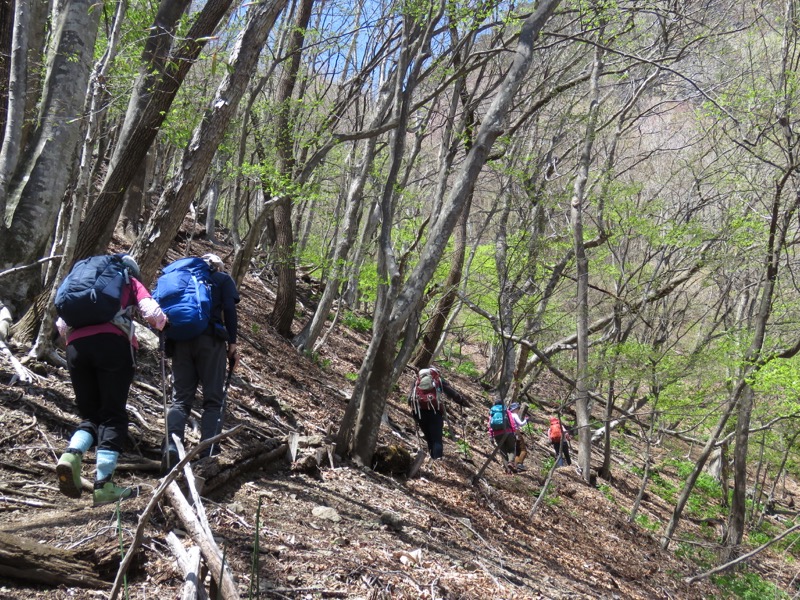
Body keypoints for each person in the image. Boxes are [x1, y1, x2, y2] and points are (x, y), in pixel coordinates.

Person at [55, 254, 168, 506]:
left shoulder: (85, 285)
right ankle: (103, 486)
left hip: (76, 348)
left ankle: (71, 455)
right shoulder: (127, 278)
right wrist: (163, 324)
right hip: (113, 345)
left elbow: (61, 326)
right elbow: (151, 312)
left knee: (90, 416)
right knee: (113, 414)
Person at [162, 253, 239, 472]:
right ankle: (208, 453)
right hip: (210, 341)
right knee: (213, 399)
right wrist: (232, 343)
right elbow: (230, 310)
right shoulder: (222, 280)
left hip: (180, 342)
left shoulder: (183, 279)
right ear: (218, 267)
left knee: (180, 400)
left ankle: (171, 447)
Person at [409, 366, 465, 460]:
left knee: (429, 437)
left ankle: (433, 458)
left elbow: (409, 400)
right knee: (437, 439)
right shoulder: (438, 382)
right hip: (435, 414)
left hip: (419, 414)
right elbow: (453, 394)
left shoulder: (415, 383)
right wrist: (462, 402)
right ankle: (437, 459)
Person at [488, 399, 518, 472]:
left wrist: (491, 436)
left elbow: (490, 425)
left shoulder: (492, 412)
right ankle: (511, 462)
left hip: (497, 434)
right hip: (508, 432)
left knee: (503, 451)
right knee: (511, 449)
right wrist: (514, 431)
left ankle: (507, 470)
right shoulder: (506, 411)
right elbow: (511, 421)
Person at [509, 402, 529, 471]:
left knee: (517, 450)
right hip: (517, 432)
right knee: (523, 450)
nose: (518, 410)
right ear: (515, 409)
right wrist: (526, 420)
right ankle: (519, 464)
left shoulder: (508, 415)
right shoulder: (514, 415)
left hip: (510, 433)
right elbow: (521, 424)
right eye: (518, 408)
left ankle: (516, 465)